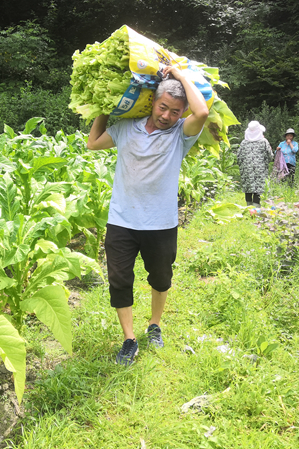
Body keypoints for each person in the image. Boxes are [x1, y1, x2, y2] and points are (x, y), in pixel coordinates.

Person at [87, 66, 208, 366]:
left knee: (161, 277)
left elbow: (203, 113)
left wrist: (179, 74)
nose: (167, 115)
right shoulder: (127, 128)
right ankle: (129, 338)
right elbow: (92, 143)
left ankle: (154, 324)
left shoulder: (181, 135)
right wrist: (105, 108)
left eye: (175, 111)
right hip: (122, 220)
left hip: (161, 223)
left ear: (182, 114)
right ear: (153, 101)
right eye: (163, 107)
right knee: (119, 280)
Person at [237, 121, 273, 206]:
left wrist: (244, 166)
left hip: (246, 169)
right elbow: (270, 156)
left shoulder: (243, 142)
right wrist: (264, 163)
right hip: (260, 169)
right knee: (258, 188)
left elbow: (238, 156)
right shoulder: (263, 141)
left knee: (248, 187)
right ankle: (256, 208)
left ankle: (249, 207)